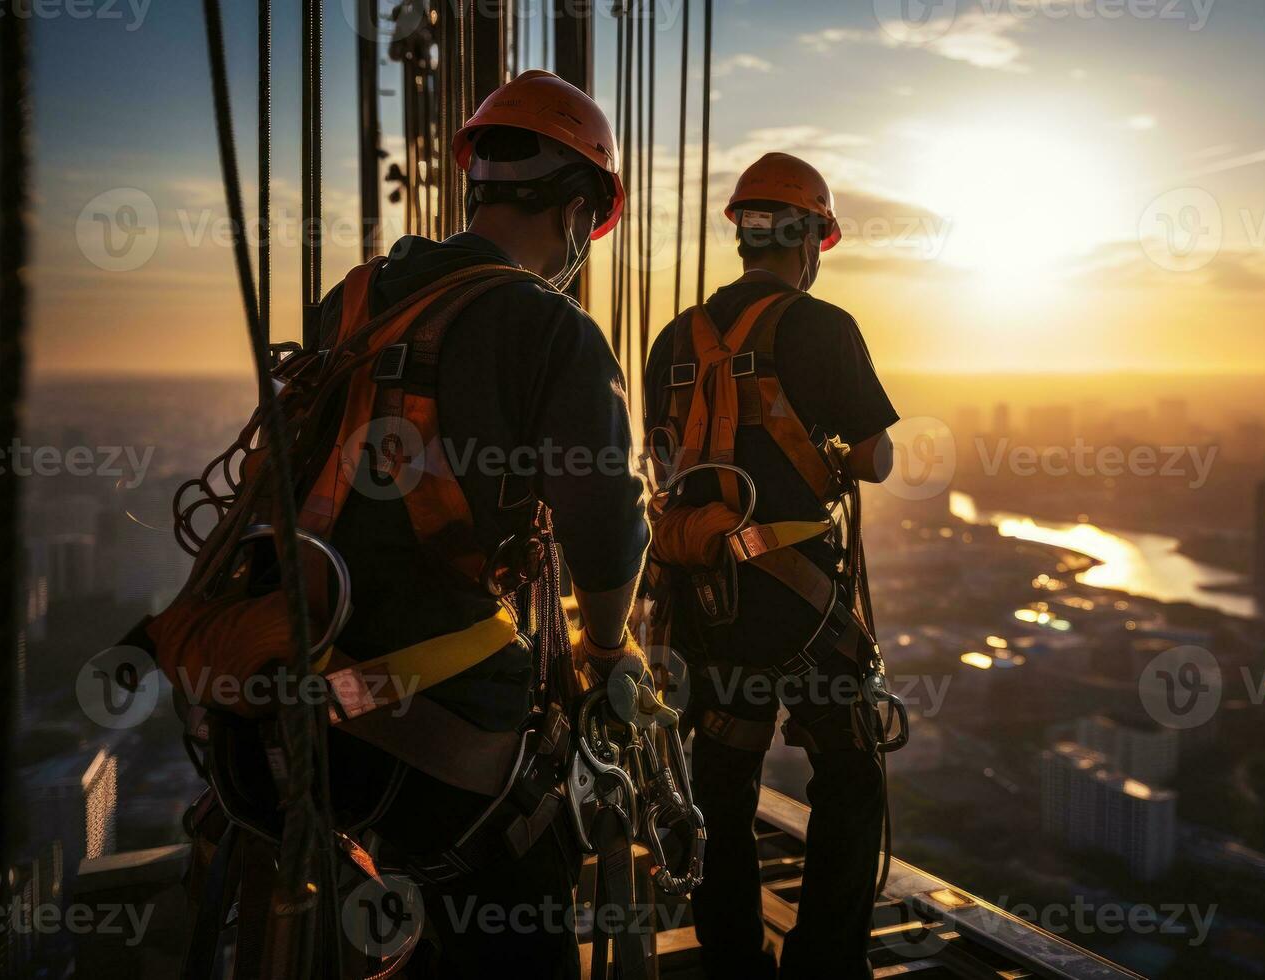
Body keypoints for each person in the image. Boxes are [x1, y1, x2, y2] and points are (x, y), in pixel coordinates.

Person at [311, 70, 649, 976]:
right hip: (445, 732)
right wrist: (609, 649)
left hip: (300, 697)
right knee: (512, 920)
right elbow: (607, 525)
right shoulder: (551, 329)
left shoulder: (354, 300)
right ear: (579, 213)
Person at [642, 152, 899, 979]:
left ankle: (732, 964)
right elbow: (874, 458)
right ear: (810, 240)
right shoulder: (820, 326)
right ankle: (825, 966)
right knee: (851, 767)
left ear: (746, 236)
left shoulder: (671, 339)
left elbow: (665, 457)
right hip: (798, 597)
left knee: (720, 779)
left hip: (706, 596)